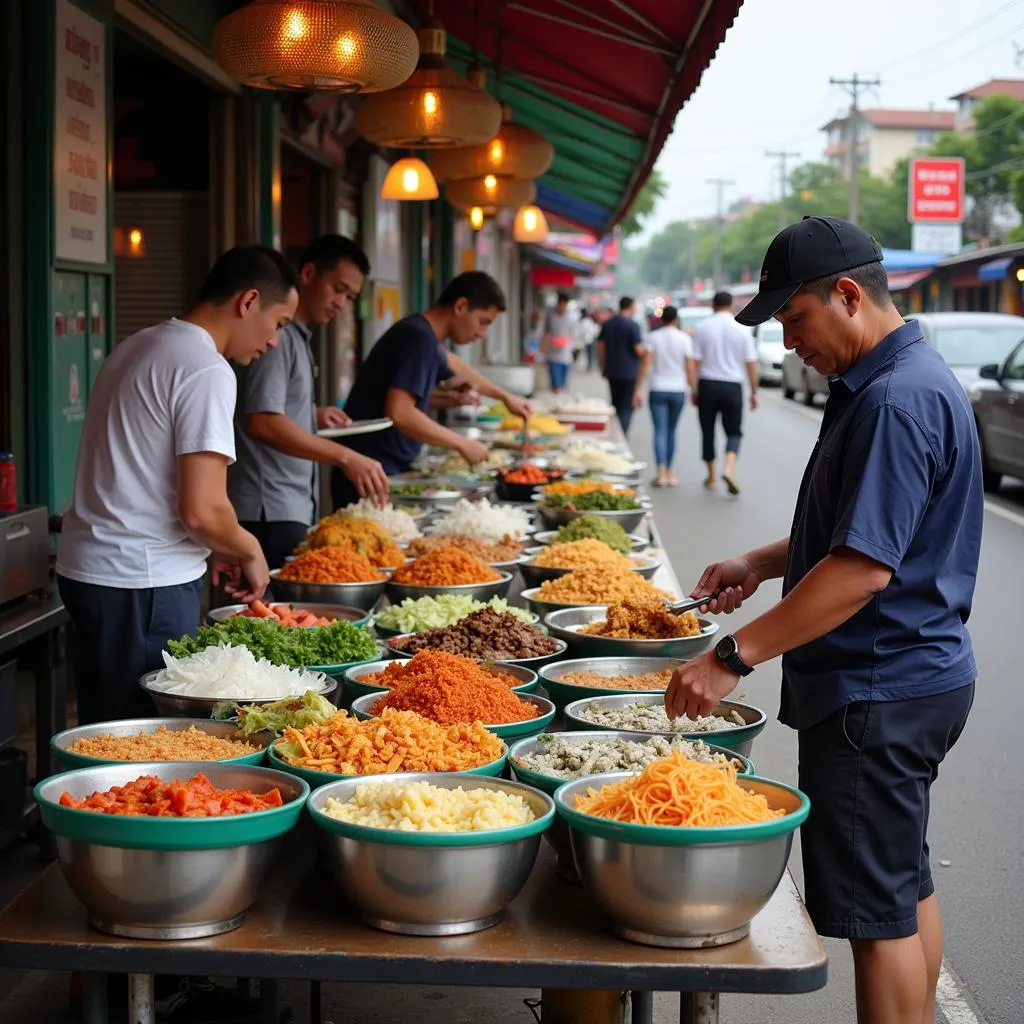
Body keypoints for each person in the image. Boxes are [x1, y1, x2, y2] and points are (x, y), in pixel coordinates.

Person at [666, 216, 981, 1024]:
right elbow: (860, 531)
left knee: (876, 924)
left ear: (847, 295)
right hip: (919, 679)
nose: (787, 344)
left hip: (875, 687)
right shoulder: (902, 378)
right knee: (902, 889)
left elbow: (860, 571)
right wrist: (759, 562)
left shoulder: (893, 400)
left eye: (794, 320)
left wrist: (729, 657)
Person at [57, 245, 298, 726]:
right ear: (248, 302)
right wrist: (249, 550)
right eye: (280, 323)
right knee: (141, 742)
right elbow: (203, 511)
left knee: (104, 729)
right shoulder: (207, 368)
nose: (274, 342)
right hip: (142, 582)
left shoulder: (139, 345)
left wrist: (215, 547)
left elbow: (147, 479)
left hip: (93, 571)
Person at [228, 235, 388, 570]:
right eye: (338, 288)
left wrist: (312, 414)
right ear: (308, 273)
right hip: (268, 509)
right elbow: (262, 419)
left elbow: (272, 406)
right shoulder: (279, 338)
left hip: (286, 504)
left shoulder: (296, 336)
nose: (341, 302)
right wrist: (346, 457)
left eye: (350, 296)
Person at [331, 272, 531, 509]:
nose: (482, 333)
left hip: (380, 469)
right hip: (369, 472)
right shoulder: (418, 337)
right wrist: (462, 443)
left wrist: (503, 397)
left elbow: (453, 364)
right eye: (483, 322)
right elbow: (400, 413)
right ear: (460, 306)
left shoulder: (423, 335)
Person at [689, 290, 758, 495]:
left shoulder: (701, 328)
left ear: (713, 304)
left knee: (707, 430)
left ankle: (711, 476)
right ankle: (728, 469)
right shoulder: (742, 328)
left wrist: (694, 388)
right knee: (734, 431)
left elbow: (694, 362)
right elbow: (751, 364)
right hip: (732, 386)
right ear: (732, 304)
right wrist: (754, 391)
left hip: (707, 384)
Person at [643, 306, 696, 487]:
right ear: (676, 319)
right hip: (678, 389)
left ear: (662, 319)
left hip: (658, 387)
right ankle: (670, 472)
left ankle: (661, 472)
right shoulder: (685, 339)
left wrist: (636, 388)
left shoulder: (653, 337)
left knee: (660, 431)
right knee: (672, 431)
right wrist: (694, 389)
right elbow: (690, 368)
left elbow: (646, 365)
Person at [597, 296, 645, 435]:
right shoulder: (633, 325)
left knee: (615, 402)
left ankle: (615, 430)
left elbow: (600, 347)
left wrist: (602, 365)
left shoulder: (608, 324)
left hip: (612, 370)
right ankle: (621, 434)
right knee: (626, 406)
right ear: (630, 307)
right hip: (629, 372)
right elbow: (638, 349)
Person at [541, 291, 575, 393]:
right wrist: (544, 352)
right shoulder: (551, 317)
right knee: (555, 383)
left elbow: (574, 335)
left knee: (563, 384)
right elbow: (546, 334)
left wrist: (566, 342)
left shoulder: (571, 318)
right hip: (553, 354)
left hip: (565, 354)